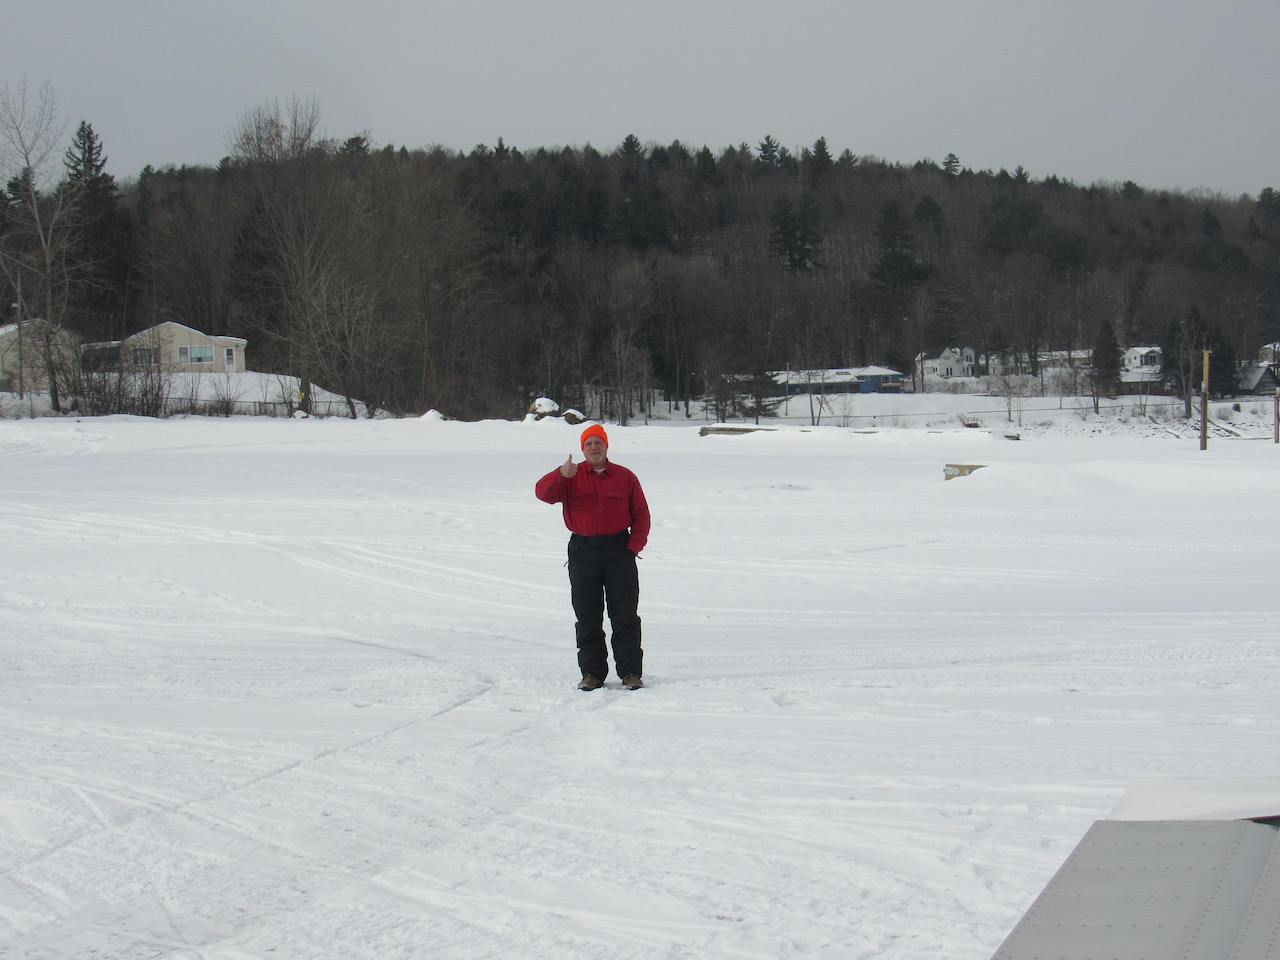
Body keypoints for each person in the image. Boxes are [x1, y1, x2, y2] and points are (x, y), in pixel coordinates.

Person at [535, 424, 650, 691]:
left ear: (606, 446)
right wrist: (559, 474)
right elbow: (542, 494)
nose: (594, 448)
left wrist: (633, 547)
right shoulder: (569, 475)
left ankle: (630, 672)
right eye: (588, 444)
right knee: (587, 616)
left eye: (598, 443)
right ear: (582, 449)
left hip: (619, 551)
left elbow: (642, 515)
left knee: (624, 616)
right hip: (583, 552)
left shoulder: (625, 477)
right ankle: (592, 673)